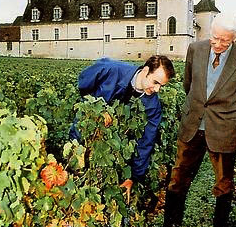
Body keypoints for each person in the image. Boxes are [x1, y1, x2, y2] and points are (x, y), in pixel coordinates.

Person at [156, 12, 236, 227]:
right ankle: (170, 225)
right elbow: (188, 85)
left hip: (223, 130)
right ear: (209, 31)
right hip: (192, 124)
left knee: (223, 184)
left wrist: (227, 118)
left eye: (225, 40)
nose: (219, 44)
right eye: (215, 38)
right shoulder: (195, 49)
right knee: (178, 176)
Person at [69, 55, 175, 201]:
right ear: (145, 71)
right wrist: (96, 108)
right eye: (155, 82)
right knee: (74, 179)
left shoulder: (152, 106)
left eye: (161, 86)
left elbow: (146, 142)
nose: (157, 89)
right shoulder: (111, 70)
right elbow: (83, 83)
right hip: (82, 138)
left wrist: (133, 177)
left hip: (112, 151)